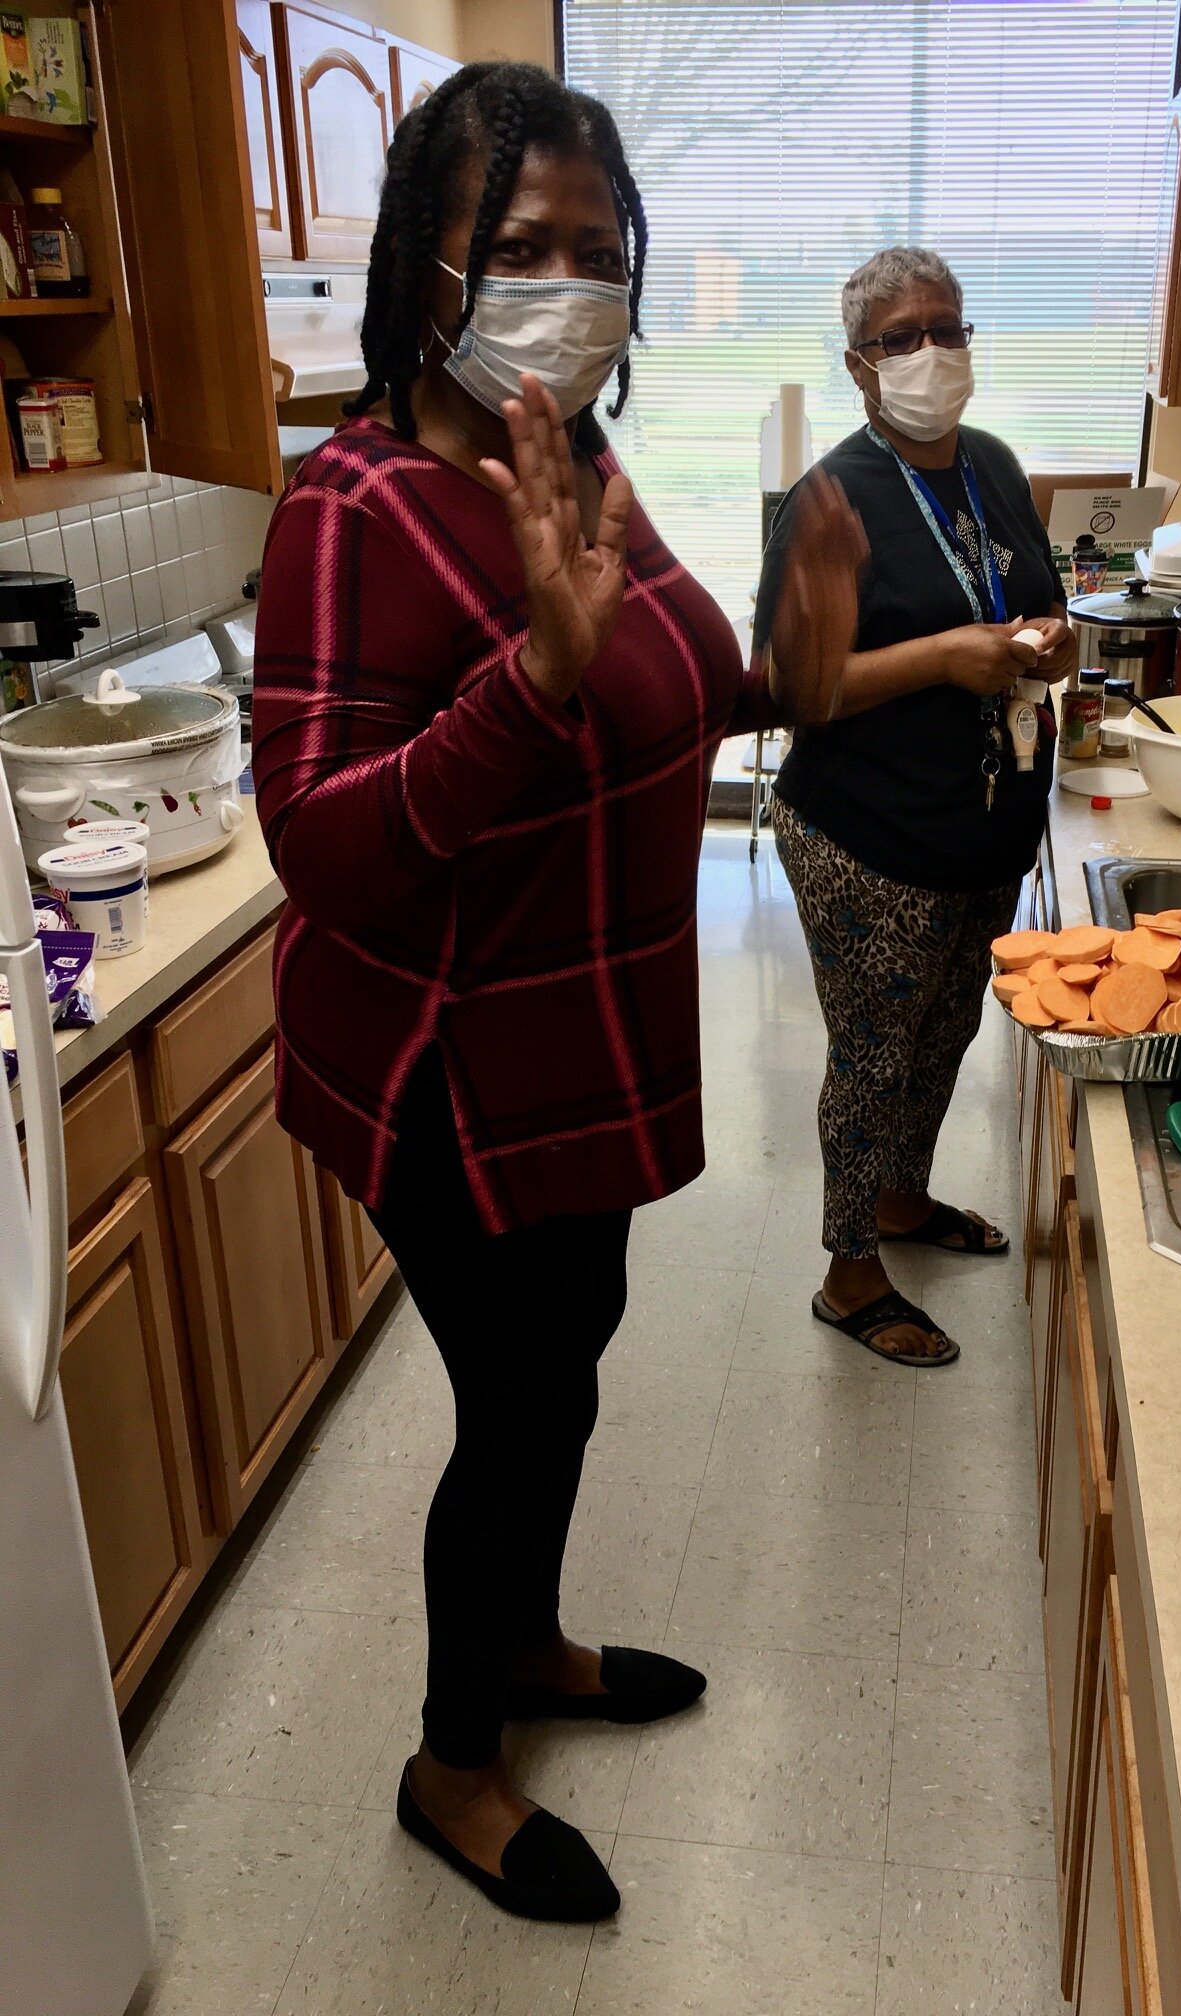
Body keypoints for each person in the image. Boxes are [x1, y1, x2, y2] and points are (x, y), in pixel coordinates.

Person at [252, 63, 864, 1927]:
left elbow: (677, 695)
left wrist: (812, 646)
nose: (570, 286)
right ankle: (452, 1760)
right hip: (451, 1075)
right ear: (425, 265)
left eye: (603, 253)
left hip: (584, 1049)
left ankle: (523, 1641)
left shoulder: (571, 463)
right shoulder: (349, 505)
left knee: (566, 1374)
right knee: (518, 1412)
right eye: (522, 246)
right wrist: (524, 679)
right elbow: (325, 845)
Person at [754, 247, 1076, 1369]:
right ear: (859, 365)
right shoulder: (828, 502)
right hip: (866, 834)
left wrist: (1050, 637)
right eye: (902, 337)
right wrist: (945, 656)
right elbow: (795, 691)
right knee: (875, 1052)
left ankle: (901, 1199)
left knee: (947, 1030)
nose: (932, 352)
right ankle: (848, 1271)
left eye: (948, 327)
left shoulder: (989, 462)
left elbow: (1033, 595)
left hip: (981, 823)